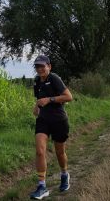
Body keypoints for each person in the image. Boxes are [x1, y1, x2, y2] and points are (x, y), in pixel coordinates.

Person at [30, 55, 73, 200]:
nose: (40, 69)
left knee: (60, 153)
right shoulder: (36, 82)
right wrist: (36, 106)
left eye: (42, 66)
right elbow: (39, 98)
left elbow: (68, 97)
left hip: (59, 120)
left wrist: (50, 100)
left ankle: (64, 174)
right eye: (37, 66)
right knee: (40, 151)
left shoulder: (54, 78)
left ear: (49, 66)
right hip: (43, 120)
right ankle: (42, 186)